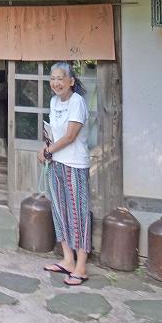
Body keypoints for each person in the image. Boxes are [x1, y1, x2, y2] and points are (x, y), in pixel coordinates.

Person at [39, 62, 91, 286]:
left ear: (71, 81)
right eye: (52, 78)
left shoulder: (77, 102)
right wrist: (46, 147)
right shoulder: (53, 101)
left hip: (74, 164)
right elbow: (55, 133)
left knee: (78, 214)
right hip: (57, 163)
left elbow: (70, 136)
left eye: (60, 78)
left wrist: (48, 150)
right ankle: (68, 259)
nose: (56, 83)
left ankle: (81, 266)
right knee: (60, 211)